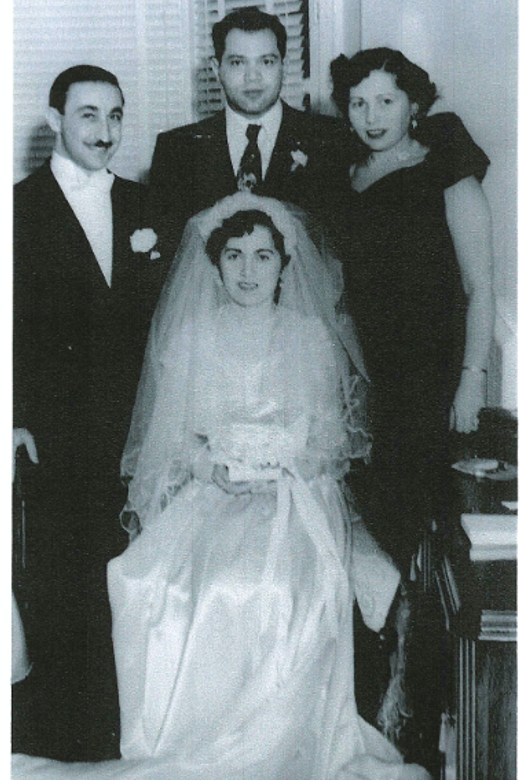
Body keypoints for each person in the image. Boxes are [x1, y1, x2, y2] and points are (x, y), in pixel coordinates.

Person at [11, 194, 431, 780]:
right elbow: (172, 438)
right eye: (234, 256)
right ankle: (192, 732)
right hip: (212, 491)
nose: (248, 270)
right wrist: (214, 469)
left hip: (294, 494)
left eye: (263, 256)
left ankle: (276, 737)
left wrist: (275, 467)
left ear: (286, 264)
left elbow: (326, 442)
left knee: (275, 587)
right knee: (155, 580)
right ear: (214, 265)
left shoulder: (309, 337)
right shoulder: (191, 337)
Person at [329, 48, 494, 769]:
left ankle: (416, 724)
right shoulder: (346, 176)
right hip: (370, 384)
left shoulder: (446, 168)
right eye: (359, 103)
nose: (371, 117)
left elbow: (481, 287)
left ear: (414, 104)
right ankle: (374, 715)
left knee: (422, 555)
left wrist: (469, 380)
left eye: (386, 102)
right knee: (375, 551)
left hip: (430, 386)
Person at [13, 65, 168, 761]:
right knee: (59, 575)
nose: (104, 132)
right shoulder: (16, 208)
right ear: (54, 120)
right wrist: (13, 415)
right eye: (87, 116)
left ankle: (120, 726)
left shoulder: (144, 205)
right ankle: (60, 736)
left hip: (133, 426)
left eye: (114, 116)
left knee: (126, 573)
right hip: (51, 430)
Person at [149, 6, 350, 226]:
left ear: (284, 66)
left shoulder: (330, 138)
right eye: (237, 62)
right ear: (217, 70)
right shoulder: (176, 150)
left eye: (266, 62)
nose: (252, 77)